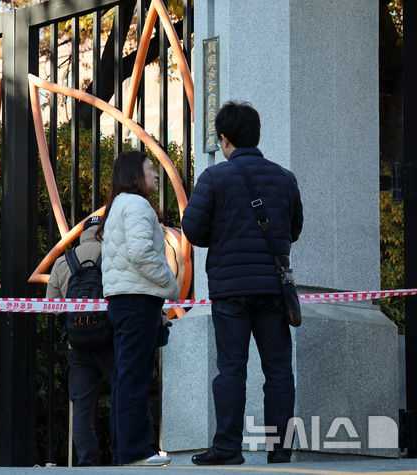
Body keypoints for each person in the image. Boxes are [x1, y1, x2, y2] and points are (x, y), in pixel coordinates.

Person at [181, 101, 303, 465]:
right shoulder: (284, 177)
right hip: (272, 288)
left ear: (224, 138)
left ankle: (227, 448)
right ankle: (279, 450)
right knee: (278, 370)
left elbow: (192, 229)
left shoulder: (214, 177)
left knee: (231, 368)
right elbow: (293, 230)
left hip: (230, 290)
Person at [97, 150, 180, 466]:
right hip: (137, 302)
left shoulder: (119, 204)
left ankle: (125, 451)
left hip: (124, 300)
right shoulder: (137, 205)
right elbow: (142, 254)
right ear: (134, 175)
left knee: (125, 376)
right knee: (135, 376)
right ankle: (135, 452)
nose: (156, 174)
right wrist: (169, 287)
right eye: (149, 168)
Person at [46, 216, 113, 466]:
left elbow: (52, 305)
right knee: (123, 394)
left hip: (78, 345)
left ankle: (87, 463)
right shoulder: (115, 257)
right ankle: (124, 457)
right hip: (111, 341)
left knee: (82, 406)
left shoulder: (64, 261)